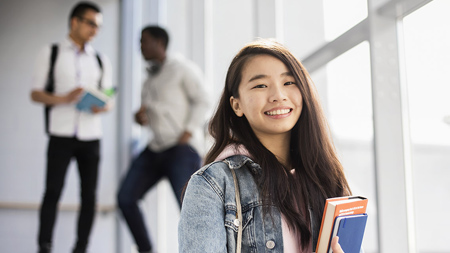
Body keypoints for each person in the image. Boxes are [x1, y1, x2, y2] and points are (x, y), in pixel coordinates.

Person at [178, 39, 355, 253]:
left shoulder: (327, 178)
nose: (278, 96)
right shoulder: (211, 186)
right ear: (237, 104)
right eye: (260, 85)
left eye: (289, 83)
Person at [117, 26, 210, 253]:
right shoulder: (149, 78)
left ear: (160, 43)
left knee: (189, 209)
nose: (140, 46)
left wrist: (188, 131)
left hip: (181, 148)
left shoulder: (182, 69)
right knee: (126, 198)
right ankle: (146, 250)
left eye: (143, 41)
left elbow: (204, 100)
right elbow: (149, 114)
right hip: (156, 147)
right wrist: (140, 117)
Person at [30, 2, 113, 253]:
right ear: (74, 22)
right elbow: (36, 94)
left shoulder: (100, 59)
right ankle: (44, 246)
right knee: (52, 191)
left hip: (91, 136)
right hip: (61, 133)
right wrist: (65, 98)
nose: (95, 30)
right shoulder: (52, 52)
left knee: (89, 196)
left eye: (98, 26)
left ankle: (81, 248)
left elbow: (108, 101)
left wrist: (101, 106)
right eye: (91, 23)